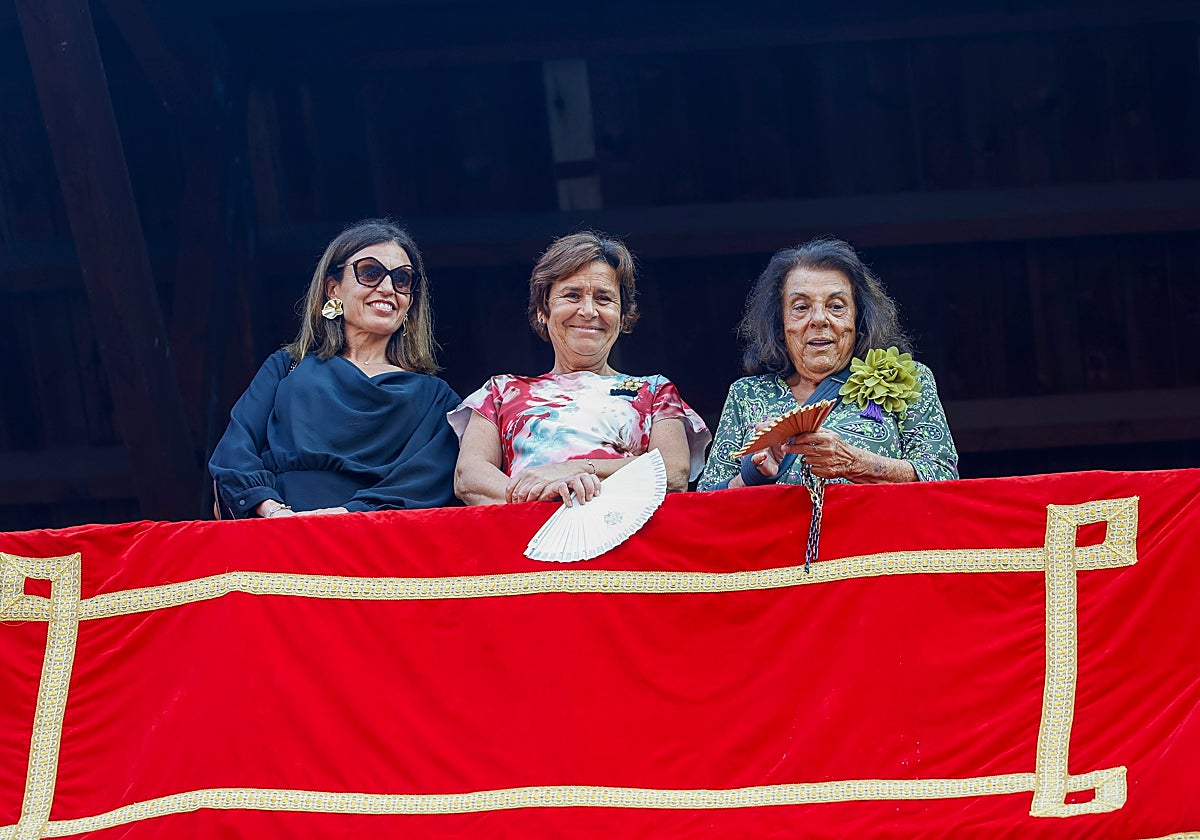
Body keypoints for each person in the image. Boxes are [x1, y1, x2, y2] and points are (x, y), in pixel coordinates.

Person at [210, 219, 460, 517]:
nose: (387, 288)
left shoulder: (438, 400)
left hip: (373, 544)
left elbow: (426, 482)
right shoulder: (287, 367)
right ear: (333, 289)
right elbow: (235, 451)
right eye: (370, 272)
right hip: (277, 535)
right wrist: (273, 511)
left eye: (402, 279)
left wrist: (344, 515)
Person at [450, 231, 710, 506]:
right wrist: (542, 498)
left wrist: (577, 468)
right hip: (525, 537)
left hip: (627, 539)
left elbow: (673, 472)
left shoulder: (655, 391)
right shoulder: (501, 391)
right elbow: (469, 476)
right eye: (572, 295)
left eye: (603, 298)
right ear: (543, 309)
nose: (588, 311)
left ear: (622, 317)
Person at [698, 237, 958, 490]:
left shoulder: (909, 379)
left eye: (836, 306)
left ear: (858, 320)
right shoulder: (746, 395)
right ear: (780, 325)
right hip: (779, 536)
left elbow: (945, 478)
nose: (819, 319)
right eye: (801, 307)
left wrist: (856, 463)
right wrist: (754, 474)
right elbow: (704, 503)